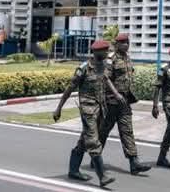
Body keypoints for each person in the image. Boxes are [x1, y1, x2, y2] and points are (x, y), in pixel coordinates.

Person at [53, 39, 125, 187]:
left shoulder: (104, 65)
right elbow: (70, 88)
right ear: (97, 52)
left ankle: (73, 170)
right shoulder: (84, 68)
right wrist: (59, 108)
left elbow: (106, 80)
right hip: (88, 109)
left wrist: (116, 94)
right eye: (105, 51)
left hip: (100, 108)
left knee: (84, 140)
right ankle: (102, 176)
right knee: (92, 141)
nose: (107, 53)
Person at [94, 33, 151, 175]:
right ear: (117, 44)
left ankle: (134, 162)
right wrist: (116, 94)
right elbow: (105, 77)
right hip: (111, 101)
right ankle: (96, 158)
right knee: (103, 132)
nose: (126, 45)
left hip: (124, 101)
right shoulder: (110, 58)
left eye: (128, 42)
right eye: (123, 42)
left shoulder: (127, 58)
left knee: (127, 131)